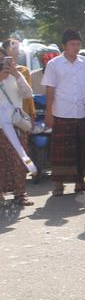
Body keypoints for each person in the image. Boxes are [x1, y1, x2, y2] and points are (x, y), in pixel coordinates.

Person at [42, 28, 85, 197]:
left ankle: (80, 181)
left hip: (83, 112)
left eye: (78, 44)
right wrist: (48, 113)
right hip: (62, 112)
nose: (76, 47)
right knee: (61, 151)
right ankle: (58, 184)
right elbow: (50, 90)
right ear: (64, 46)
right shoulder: (54, 64)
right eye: (72, 44)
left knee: (82, 148)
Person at [0, 49, 36, 206]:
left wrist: (15, 74)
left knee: (19, 160)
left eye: (3, 60)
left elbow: (28, 93)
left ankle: (21, 193)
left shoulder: (17, 73)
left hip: (15, 124)